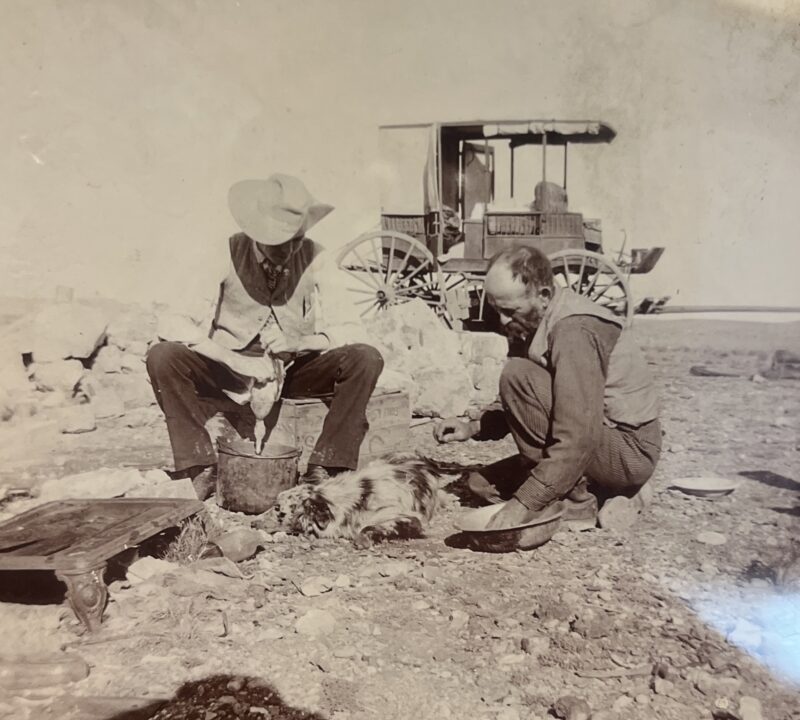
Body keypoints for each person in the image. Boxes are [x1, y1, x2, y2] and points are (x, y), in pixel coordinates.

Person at [146, 174, 384, 499]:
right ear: (255, 232)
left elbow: (353, 327)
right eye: (278, 241)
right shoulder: (224, 252)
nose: (288, 250)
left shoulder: (317, 256)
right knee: (163, 356)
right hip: (228, 372)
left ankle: (327, 468)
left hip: (293, 372)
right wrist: (233, 358)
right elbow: (173, 322)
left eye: (295, 239)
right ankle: (199, 466)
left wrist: (303, 343)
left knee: (366, 357)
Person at [434, 245, 661, 530]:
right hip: (597, 441)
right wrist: (475, 426)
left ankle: (579, 503)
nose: (502, 320)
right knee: (482, 485)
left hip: (628, 451)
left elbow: (578, 435)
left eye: (508, 310)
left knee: (517, 375)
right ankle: (610, 493)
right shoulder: (532, 319)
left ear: (542, 295)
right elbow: (535, 400)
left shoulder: (573, 330)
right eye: (495, 309)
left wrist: (525, 503)